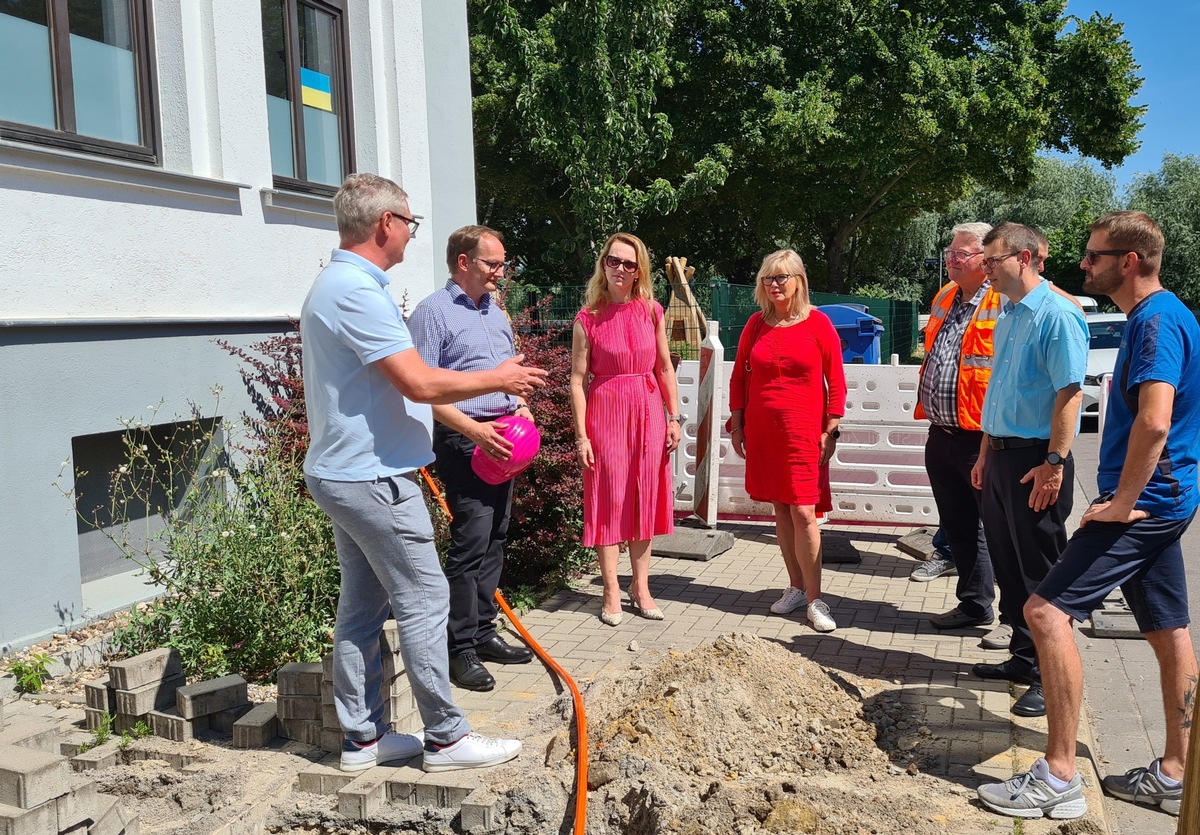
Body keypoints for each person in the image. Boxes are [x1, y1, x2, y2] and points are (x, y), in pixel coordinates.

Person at [301, 173, 546, 773]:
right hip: (373, 477)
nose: (412, 231)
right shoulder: (355, 291)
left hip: (348, 471)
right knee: (426, 595)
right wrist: (500, 378)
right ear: (385, 224)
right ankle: (446, 736)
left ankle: (363, 739)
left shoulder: (340, 284)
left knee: (363, 607)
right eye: (409, 221)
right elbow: (418, 380)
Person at [979, 211, 1200, 819]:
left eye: (1094, 255)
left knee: (1045, 612)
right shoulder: (1162, 317)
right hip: (1168, 498)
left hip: (1148, 504)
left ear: (1128, 261)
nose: (1084, 264)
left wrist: (1121, 503)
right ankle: (1177, 773)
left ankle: (1059, 778)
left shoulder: (1155, 323)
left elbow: (1156, 421)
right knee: (1167, 630)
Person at [408, 225, 535, 694]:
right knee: (470, 543)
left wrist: (521, 406)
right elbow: (421, 392)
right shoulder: (432, 314)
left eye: (503, 264)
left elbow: (509, 376)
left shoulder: (495, 313)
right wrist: (476, 431)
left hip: (505, 439)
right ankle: (457, 648)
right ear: (464, 262)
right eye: (493, 264)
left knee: (495, 537)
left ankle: (483, 632)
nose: (501, 273)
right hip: (466, 442)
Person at [969, 222, 1087, 719]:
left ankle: (1047, 673)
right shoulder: (1009, 313)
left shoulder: (1058, 315)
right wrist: (983, 454)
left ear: (1024, 257)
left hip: (1036, 460)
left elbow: (1069, 393)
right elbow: (999, 391)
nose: (985, 270)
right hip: (1000, 455)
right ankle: (1023, 658)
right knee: (1009, 565)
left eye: (992, 261)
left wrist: (1054, 464)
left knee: (1041, 570)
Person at [728, 249, 847, 632]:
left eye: (781, 278)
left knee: (803, 512)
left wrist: (831, 429)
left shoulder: (819, 324)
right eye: (767, 279)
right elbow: (739, 379)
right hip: (764, 431)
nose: (774, 285)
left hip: (803, 431)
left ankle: (816, 599)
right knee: (780, 508)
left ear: (798, 281)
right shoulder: (755, 325)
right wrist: (738, 424)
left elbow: (837, 382)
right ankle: (794, 587)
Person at [569, 232, 681, 626]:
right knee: (608, 497)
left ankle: (642, 585)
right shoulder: (588, 318)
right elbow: (577, 380)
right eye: (613, 261)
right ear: (603, 264)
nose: (620, 269)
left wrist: (673, 417)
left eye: (628, 264)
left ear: (639, 272)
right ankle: (611, 588)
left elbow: (664, 367)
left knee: (644, 497)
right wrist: (581, 435)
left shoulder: (652, 310)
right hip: (606, 413)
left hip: (648, 411)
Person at [916, 222, 1011, 652]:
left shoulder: (1005, 301)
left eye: (962, 253)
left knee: (1000, 531)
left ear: (986, 261)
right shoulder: (944, 297)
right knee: (957, 527)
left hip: (982, 438)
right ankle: (975, 604)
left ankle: (1015, 620)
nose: (951, 259)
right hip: (943, 433)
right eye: (950, 252)